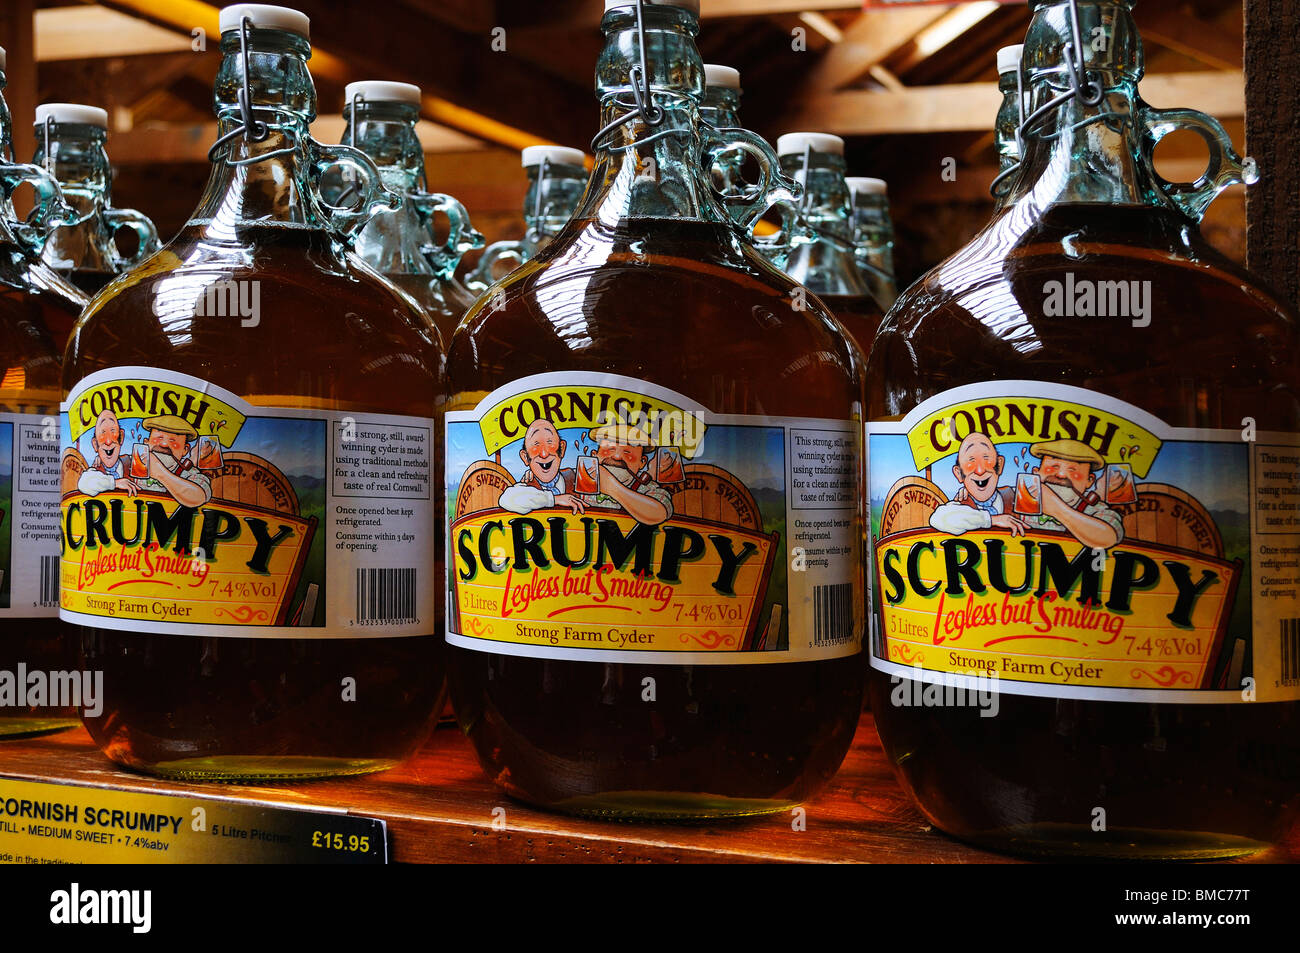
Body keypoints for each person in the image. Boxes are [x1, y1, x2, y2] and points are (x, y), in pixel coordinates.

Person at [1028, 438, 1123, 549]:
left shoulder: (1096, 510)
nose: (1061, 475)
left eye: (1073, 470)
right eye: (1054, 466)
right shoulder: (1017, 499)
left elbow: (1109, 538)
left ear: (1089, 481)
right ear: (1036, 472)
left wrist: (1056, 508)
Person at [929, 432, 1026, 536]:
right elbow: (938, 518)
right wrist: (991, 520)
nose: (980, 471)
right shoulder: (960, 505)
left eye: (986, 458)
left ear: (1000, 464)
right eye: (971, 461)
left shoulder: (1016, 495)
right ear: (959, 474)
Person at [584, 422, 673, 526]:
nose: (617, 456)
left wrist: (613, 487)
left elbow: (659, 514)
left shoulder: (648, 488)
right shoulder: (577, 479)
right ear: (594, 455)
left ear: (642, 462)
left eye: (627, 452)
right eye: (610, 448)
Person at [499, 418, 584, 515]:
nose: (544, 454)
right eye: (536, 445)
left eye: (549, 442)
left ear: (562, 448)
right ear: (525, 457)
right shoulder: (527, 485)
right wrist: (554, 499)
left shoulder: (575, 477)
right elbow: (506, 499)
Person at [138, 415, 213, 508]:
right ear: (146, 442)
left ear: (185, 450)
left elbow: (199, 497)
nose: (164, 444)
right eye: (159, 438)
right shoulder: (131, 464)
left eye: (173, 441)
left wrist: (159, 472)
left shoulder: (189, 473)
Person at [77, 408, 139, 497]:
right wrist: (115, 483)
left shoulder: (132, 463)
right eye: (103, 433)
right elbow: (84, 483)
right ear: (95, 444)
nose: (108, 441)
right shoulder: (94, 471)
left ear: (121, 437)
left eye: (112, 431)